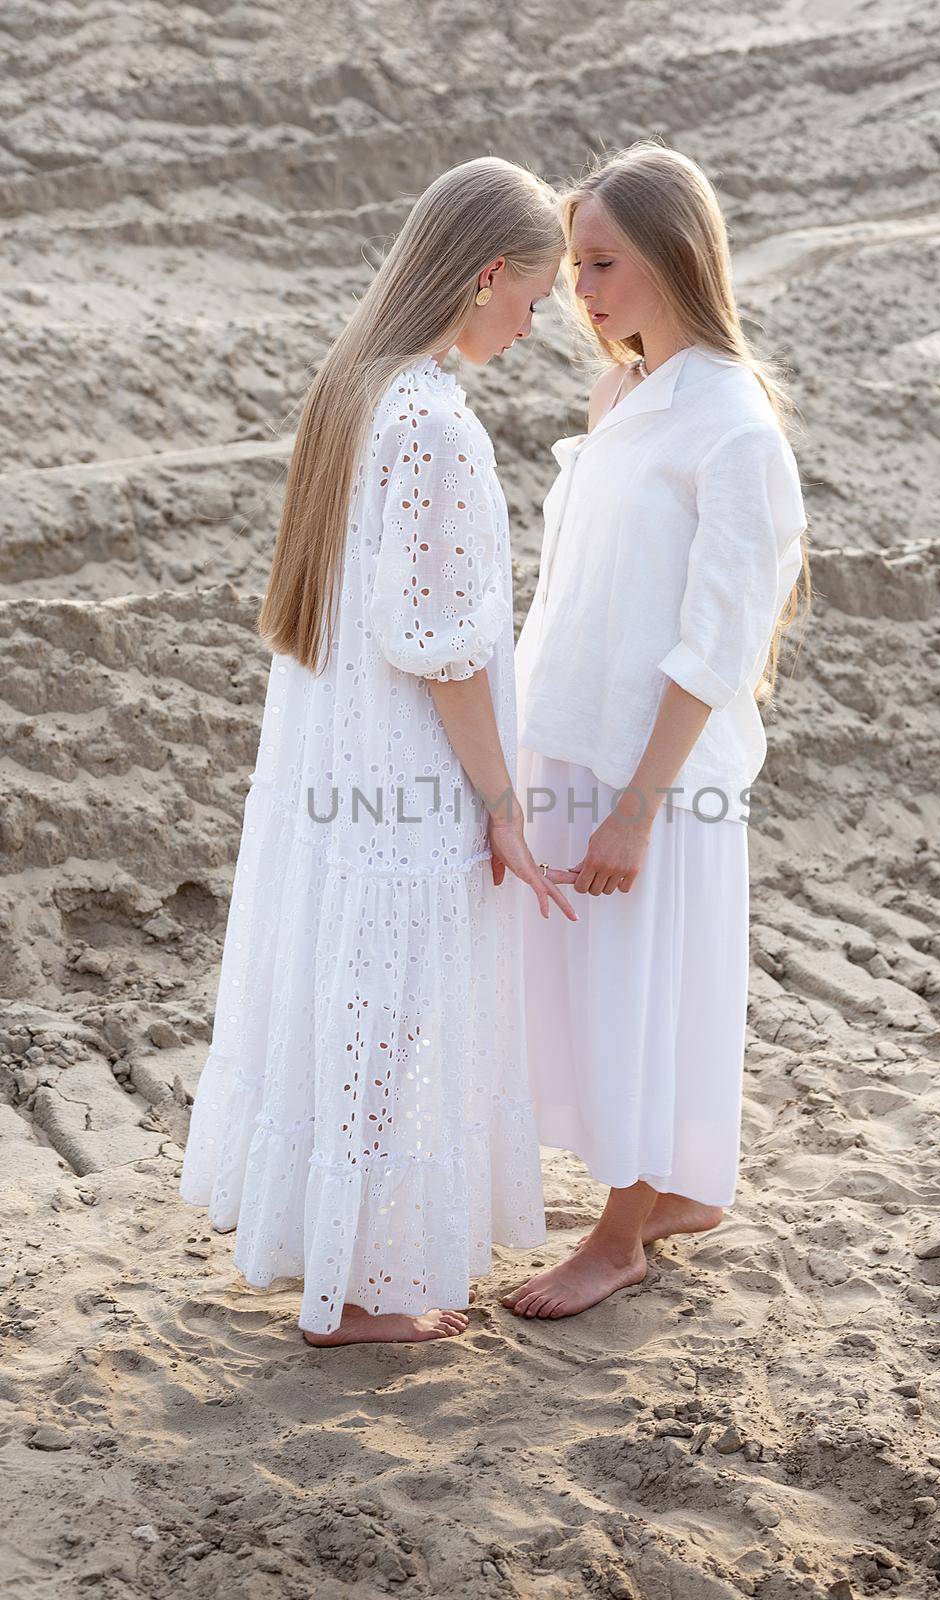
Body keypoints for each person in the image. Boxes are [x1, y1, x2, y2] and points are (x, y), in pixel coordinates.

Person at [180, 157, 576, 1347]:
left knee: (346, 1005)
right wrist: (500, 803)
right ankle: (352, 1298)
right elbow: (443, 648)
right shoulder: (436, 425)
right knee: (389, 1018)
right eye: (535, 294)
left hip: (334, 763)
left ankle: (336, 1268)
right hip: (402, 778)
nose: (536, 318)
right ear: (487, 275)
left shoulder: (357, 390)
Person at [502, 142, 811, 1319]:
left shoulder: (732, 428)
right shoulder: (621, 393)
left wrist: (637, 802)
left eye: (598, 263)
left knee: (636, 985)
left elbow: (717, 641)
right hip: (568, 733)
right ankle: (676, 1184)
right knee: (585, 985)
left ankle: (620, 1235)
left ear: (674, 256)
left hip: (656, 766)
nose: (579, 291)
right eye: (573, 266)